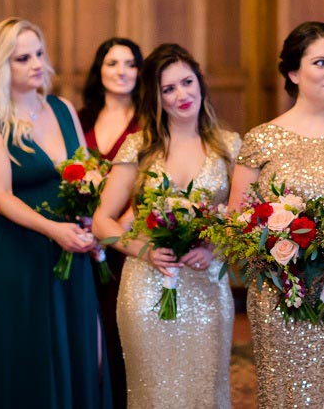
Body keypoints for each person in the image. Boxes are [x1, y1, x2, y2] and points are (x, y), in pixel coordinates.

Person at [228, 22, 324, 409]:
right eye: (321, 62)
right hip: (280, 299)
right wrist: (291, 267)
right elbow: (237, 223)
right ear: (293, 73)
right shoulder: (262, 139)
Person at [0, 17, 112, 409]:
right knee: (28, 361)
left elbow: (86, 176)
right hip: (17, 253)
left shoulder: (63, 109)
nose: (35, 63)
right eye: (21, 58)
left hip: (69, 250)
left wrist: (86, 220)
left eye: (38, 53)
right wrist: (53, 229)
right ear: (0, 65)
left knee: (83, 350)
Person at [94, 43, 239, 409]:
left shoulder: (228, 146)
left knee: (206, 391)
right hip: (147, 288)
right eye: (168, 89)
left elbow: (243, 218)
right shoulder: (139, 147)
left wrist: (214, 248)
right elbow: (101, 221)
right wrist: (143, 250)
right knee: (154, 393)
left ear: (200, 83)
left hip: (208, 288)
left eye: (187, 82)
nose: (182, 95)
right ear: (155, 97)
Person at [80, 37, 146, 409]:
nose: (121, 72)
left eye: (130, 64)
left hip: (125, 241)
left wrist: (109, 228)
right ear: (99, 70)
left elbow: (152, 181)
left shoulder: (147, 122)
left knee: (121, 334)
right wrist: (83, 224)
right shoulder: (81, 118)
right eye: (112, 63)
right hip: (79, 242)